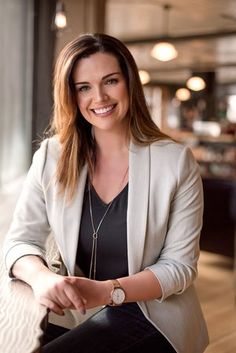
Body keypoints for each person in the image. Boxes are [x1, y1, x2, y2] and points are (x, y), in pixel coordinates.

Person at [3, 33, 209, 353]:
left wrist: (106, 292)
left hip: (151, 312)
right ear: (71, 95)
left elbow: (180, 267)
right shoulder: (52, 155)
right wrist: (43, 279)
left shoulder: (175, 162)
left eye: (110, 81)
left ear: (129, 83)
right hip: (77, 312)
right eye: (84, 87)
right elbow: (20, 242)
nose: (99, 97)